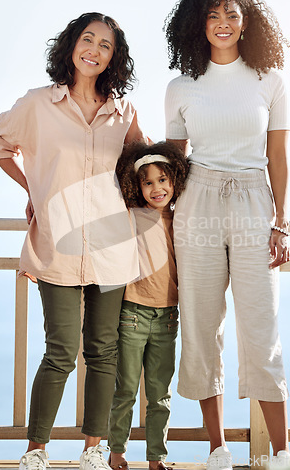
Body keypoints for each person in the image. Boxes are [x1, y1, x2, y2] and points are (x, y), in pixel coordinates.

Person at [0, 12, 144, 470]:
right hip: (57, 245)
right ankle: (35, 449)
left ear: (113, 58)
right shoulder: (37, 104)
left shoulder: (124, 111)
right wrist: (32, 190)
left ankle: (93, 449)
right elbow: (0, 144)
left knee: (103, 351)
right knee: (59, 350)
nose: (94, 50)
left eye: (105, 46)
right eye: (88, 40)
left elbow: (145, 161)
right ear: (71, 45)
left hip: (111, 246)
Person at [164, 0, 290, 470]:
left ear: (246, 21)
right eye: (213, 14)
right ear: (198, 22)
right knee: (200, 323)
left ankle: (280, 453)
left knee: (263, 325)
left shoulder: (269, 79)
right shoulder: (180, 86)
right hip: (195, 200)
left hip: (254, 199)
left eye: (232, 14)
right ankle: (217, 448)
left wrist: (280, 223)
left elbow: (277, 157)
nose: (223, 23)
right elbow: (173, 162)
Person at [107, 141, 188, 470]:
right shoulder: (131, 215)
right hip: (133, 315)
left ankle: (157, 459)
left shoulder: (181, 216)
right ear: (135, 186)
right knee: (125, 389)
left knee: (160, 394)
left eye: (163, 180)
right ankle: (117, 452)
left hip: (168, 317)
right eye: (148, 181)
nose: (157, 188)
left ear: (175, 181)